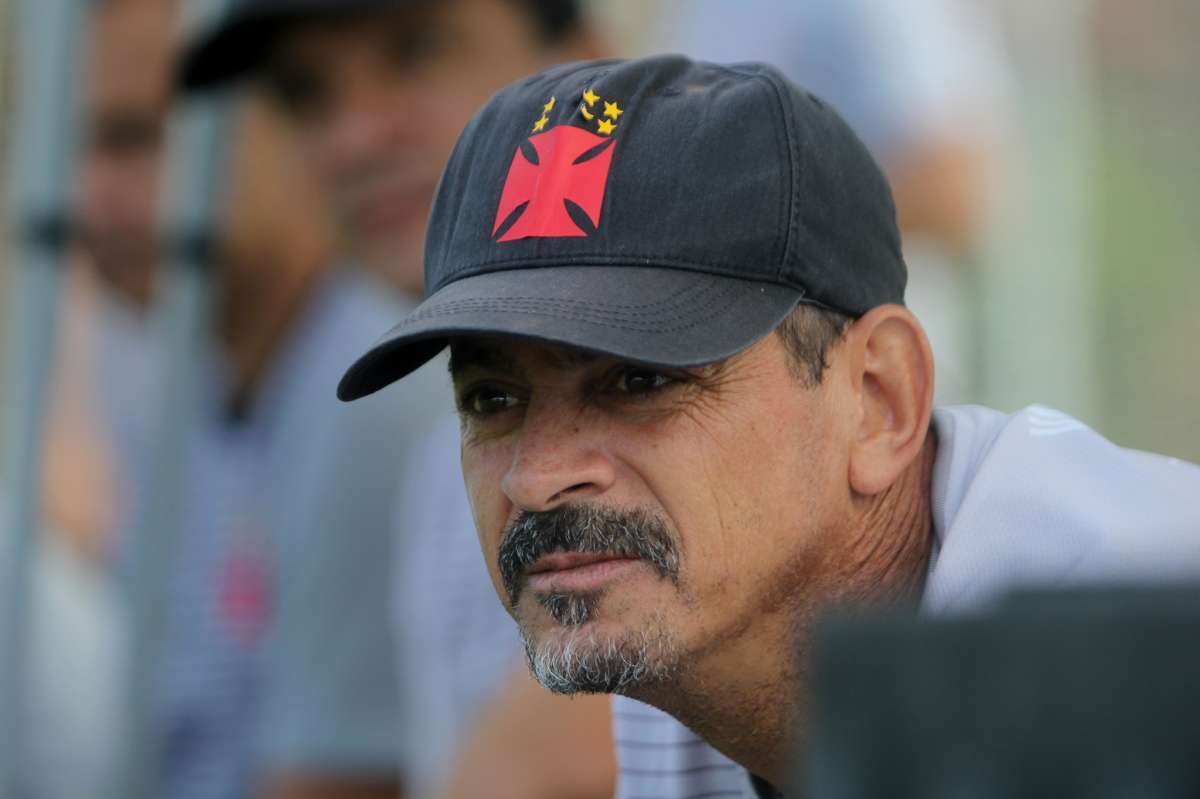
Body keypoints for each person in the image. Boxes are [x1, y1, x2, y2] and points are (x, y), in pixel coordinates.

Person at [333, 54, 1200, 798]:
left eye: (637, 379)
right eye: (493, 400)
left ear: (879, 399)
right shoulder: (691, 657)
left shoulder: (1131, 652)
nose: (536, 476)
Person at [178, 1, 616, 797]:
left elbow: (562, 765)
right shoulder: (437, 450)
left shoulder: (729, 376)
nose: (353, 138)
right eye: (305, 92)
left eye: (416, 50)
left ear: (586, 63)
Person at [71, 1, 426, 796]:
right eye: (73, 147)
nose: (87, 197)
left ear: (287, 122)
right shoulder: (182, 386)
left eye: (135, 139)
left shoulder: (372, 383)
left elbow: (333, 782)